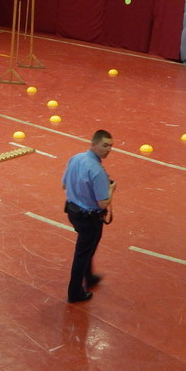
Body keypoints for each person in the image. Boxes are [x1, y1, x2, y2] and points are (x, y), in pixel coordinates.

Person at [62, 129, 116, 303]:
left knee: (88, 248)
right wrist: (111, 189)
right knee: (83, 254)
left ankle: (89, 276)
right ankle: (75, 293)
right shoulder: (97, 171)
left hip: (73, 211)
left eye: (110, 146)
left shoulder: (76, 158)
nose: (108, 150)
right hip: (89, 218)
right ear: (94, 144)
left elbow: (64, 185)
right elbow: (103, 203)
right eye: (104, 145)